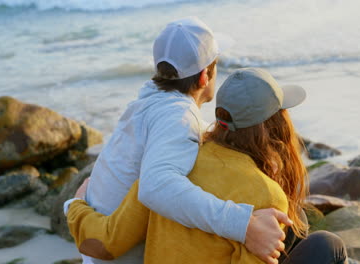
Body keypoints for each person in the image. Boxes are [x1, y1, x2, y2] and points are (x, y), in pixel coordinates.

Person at [64, 17, 291, 264]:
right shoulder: (180, 115)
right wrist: (244, 225)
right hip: (119, 251)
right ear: (205, 76)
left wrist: (74, 206)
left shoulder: (146, 104)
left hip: (97, 241)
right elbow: (156, 186)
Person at [66, 68, 348, 264]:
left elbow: (108, 241)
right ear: (274, 126)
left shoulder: (170, 168)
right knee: (327, 246)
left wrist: (76, 204)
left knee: (295, 220)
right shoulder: (266, 194)